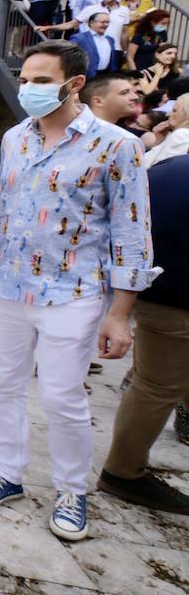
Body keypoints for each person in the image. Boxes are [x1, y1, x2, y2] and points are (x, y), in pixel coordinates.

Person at [0, 40, 157, 542]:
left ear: (74, 85)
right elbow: (5, 209)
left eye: (42, 81)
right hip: (8, 285)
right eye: (25, 79)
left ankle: (72, 490)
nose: (28, 89)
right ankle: (8, 471)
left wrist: (120, 313)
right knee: (3, 384)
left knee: (62, 395)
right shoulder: (14, 139)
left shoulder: (117, 144)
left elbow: (132, 231)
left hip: (73, 290)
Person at [97, 153, 189, 514]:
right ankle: (124, 471)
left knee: (160, 380)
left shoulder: (169, 167)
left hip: (148, 288)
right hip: (175, 301)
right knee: (156, 386)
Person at [144, 94, 189, 166]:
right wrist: (159, 140)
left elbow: (151, 167)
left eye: (174, 110)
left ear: (187, 114)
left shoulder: (181, 134)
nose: (168, 114)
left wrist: (158, 144)